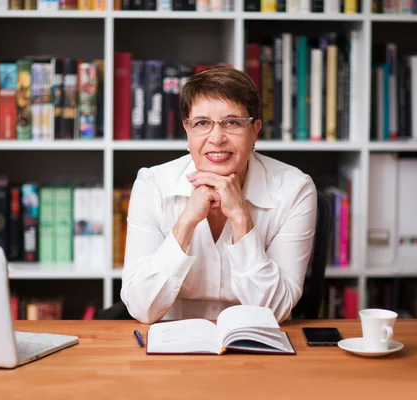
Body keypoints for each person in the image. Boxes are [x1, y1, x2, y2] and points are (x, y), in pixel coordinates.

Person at [120, 66, 317, 324]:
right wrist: (186, 222)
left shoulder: (294, 189)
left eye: (232, 122)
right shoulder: (153, 185)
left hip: (256, 344)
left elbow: (276, 311)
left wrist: (240, 219)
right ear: (187, 130)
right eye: (202, 123)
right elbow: (141, 307)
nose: (216, 138)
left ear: (255, 130)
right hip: (173, 345)